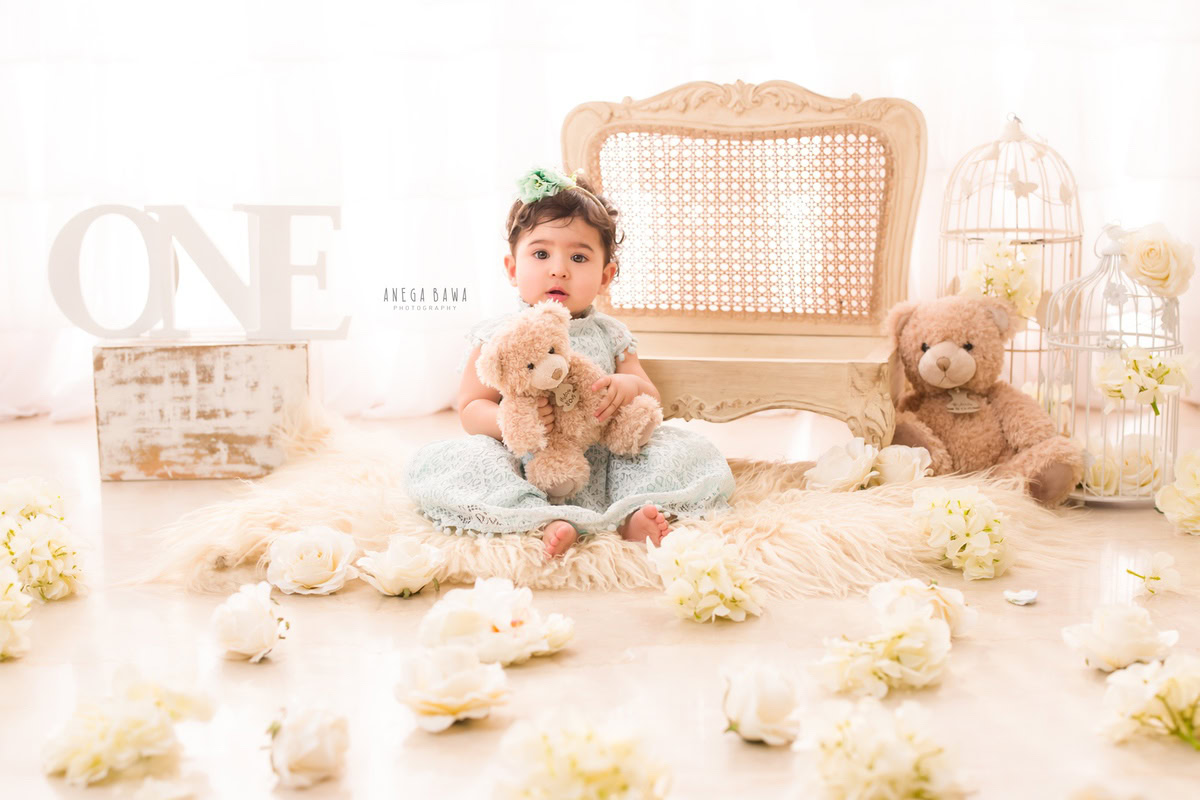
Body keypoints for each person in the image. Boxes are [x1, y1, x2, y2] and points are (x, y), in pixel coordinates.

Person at [406, 167, 734, 557]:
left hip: (603, 458)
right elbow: (470, 406)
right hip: (523, 457)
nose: (558, 268)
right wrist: (507, 423)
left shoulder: (610, 333)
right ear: (513, 269)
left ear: (605, 275)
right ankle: (538, 517)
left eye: (579, 257)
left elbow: (647, 392)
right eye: (541, 253)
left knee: (679, 451)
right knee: (462, 461)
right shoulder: (497, 333)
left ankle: (631, 515)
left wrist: (626, 388)